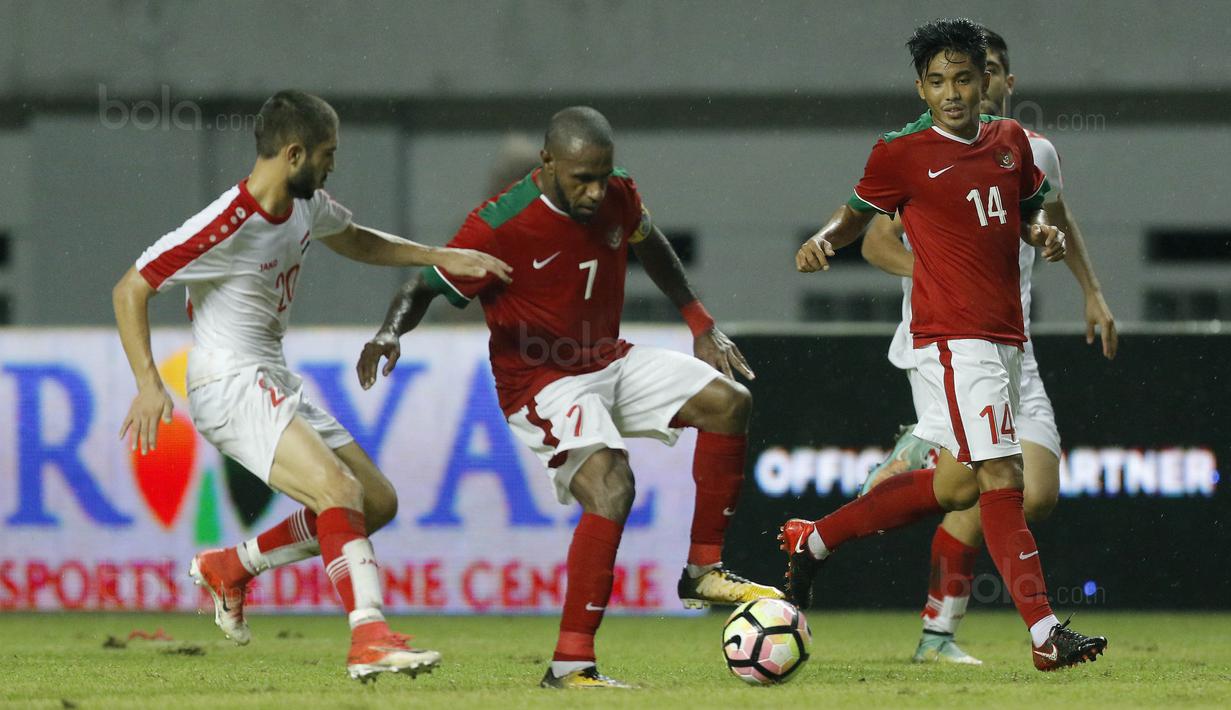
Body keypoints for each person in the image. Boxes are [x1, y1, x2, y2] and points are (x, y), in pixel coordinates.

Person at [357, 106, 782, 689]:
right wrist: (389, 333)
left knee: (729, 403)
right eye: (583, 178)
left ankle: (702, 571)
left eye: (603, 176)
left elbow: (650, 241)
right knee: (612, 486)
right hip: (540, 382)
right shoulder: (500, 224)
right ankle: (570, 665)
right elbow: (423, 285)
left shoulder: (618, 193)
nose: (595, 191)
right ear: (547, 163)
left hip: (608, 358)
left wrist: (700, 322)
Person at [112, 90, 511, 681]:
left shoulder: (306, 204)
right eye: (328, 154)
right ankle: (369, 637)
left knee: (374, 501)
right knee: (336, 488)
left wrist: (441, 256)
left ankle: (231, 567)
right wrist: (148, 383)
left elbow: (357, 239)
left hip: (270, 376)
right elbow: (131, 288)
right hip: (228, 382)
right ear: (294, 154)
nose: (333, 165)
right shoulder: (227, 223)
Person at [779, 19, 1108, 671]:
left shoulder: (1012, 143)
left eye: (962, 79)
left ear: (988, 82)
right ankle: (1044, 634)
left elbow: (1031, 211)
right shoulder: (901, 152)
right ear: (920, 89)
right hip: (953, 340)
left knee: (963, 486)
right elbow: (857, 219)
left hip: (1009, 337)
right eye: (937, 82)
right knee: (1002, 477)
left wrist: (1042, 235)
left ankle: (814, 539)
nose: (951, 93)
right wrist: (822, 239)